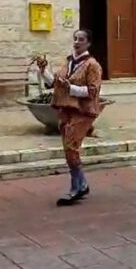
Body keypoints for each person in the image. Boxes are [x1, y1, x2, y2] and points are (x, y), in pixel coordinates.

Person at [37, 29, 103, 205]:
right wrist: (43, 70)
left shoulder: (92, 65)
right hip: (67, 110)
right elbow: (54, 83)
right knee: (69, 148)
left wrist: (70, 89)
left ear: (88, 43)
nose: (77, 42)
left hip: (83, 111)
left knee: (71, 146)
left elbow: (92, 91)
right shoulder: (69, 62)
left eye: (81, 39)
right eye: (75, 39)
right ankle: (82, 184)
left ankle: (77, 187)